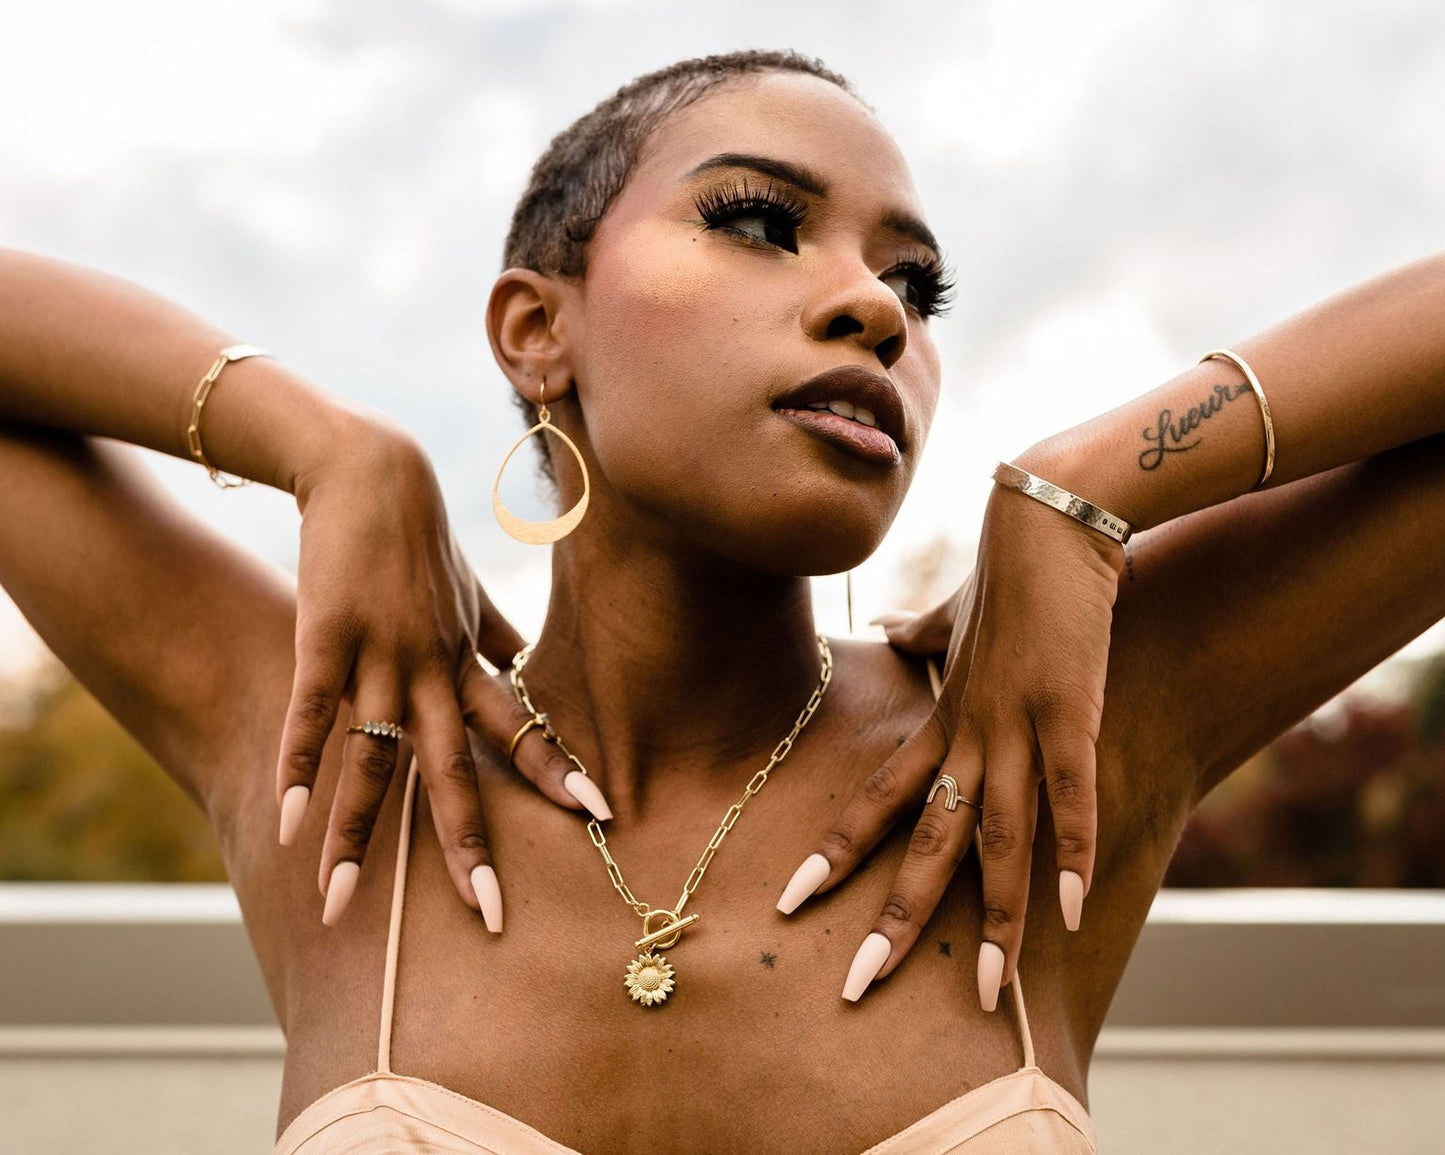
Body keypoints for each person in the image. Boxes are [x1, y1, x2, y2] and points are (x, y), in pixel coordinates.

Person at [1, 45, 1443, 1154]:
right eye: (759, 222)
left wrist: (1092, 479)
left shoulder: (1037, 752)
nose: (875, 308)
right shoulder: (342, 749)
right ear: (536, 327)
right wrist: (320, 449)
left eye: (915, 290)